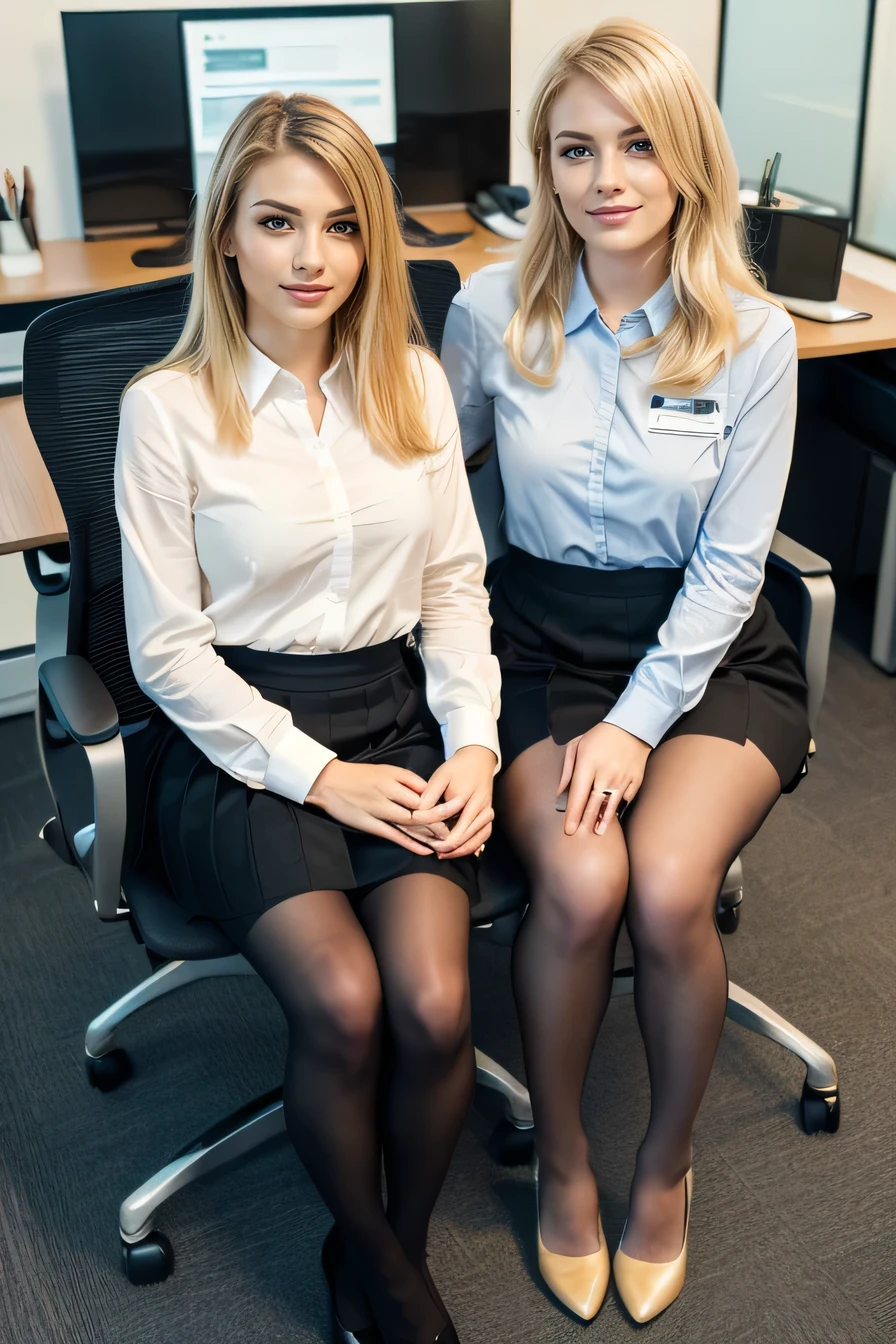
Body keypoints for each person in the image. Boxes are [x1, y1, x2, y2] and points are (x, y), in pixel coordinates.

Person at [115, 92, 500, 1344]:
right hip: (240, 738)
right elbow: (167, 651)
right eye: (276, 222)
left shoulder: (413, 384)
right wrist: (310, 774)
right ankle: (390, 1281)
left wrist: (478, 743)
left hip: (393, 716)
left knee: (437, 1006)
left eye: (340, 227)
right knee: (342, 1003)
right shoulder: (168, 410)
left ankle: (381, 1241)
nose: (309, 258)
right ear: (225, 231)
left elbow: (450, 586)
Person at [441, 20, 810, 1326]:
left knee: (664, 891)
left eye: (639, 143)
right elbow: (439, 494)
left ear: (688, 158)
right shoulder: (490, 309)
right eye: (576, 147)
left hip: (707, 651)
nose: (607, 176)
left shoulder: (752, 337)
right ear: (542, 164)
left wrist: (643, 725)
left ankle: (665, 1165)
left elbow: (730, 569)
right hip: (540, 637)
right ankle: (570, 1159)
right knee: (582, 881)